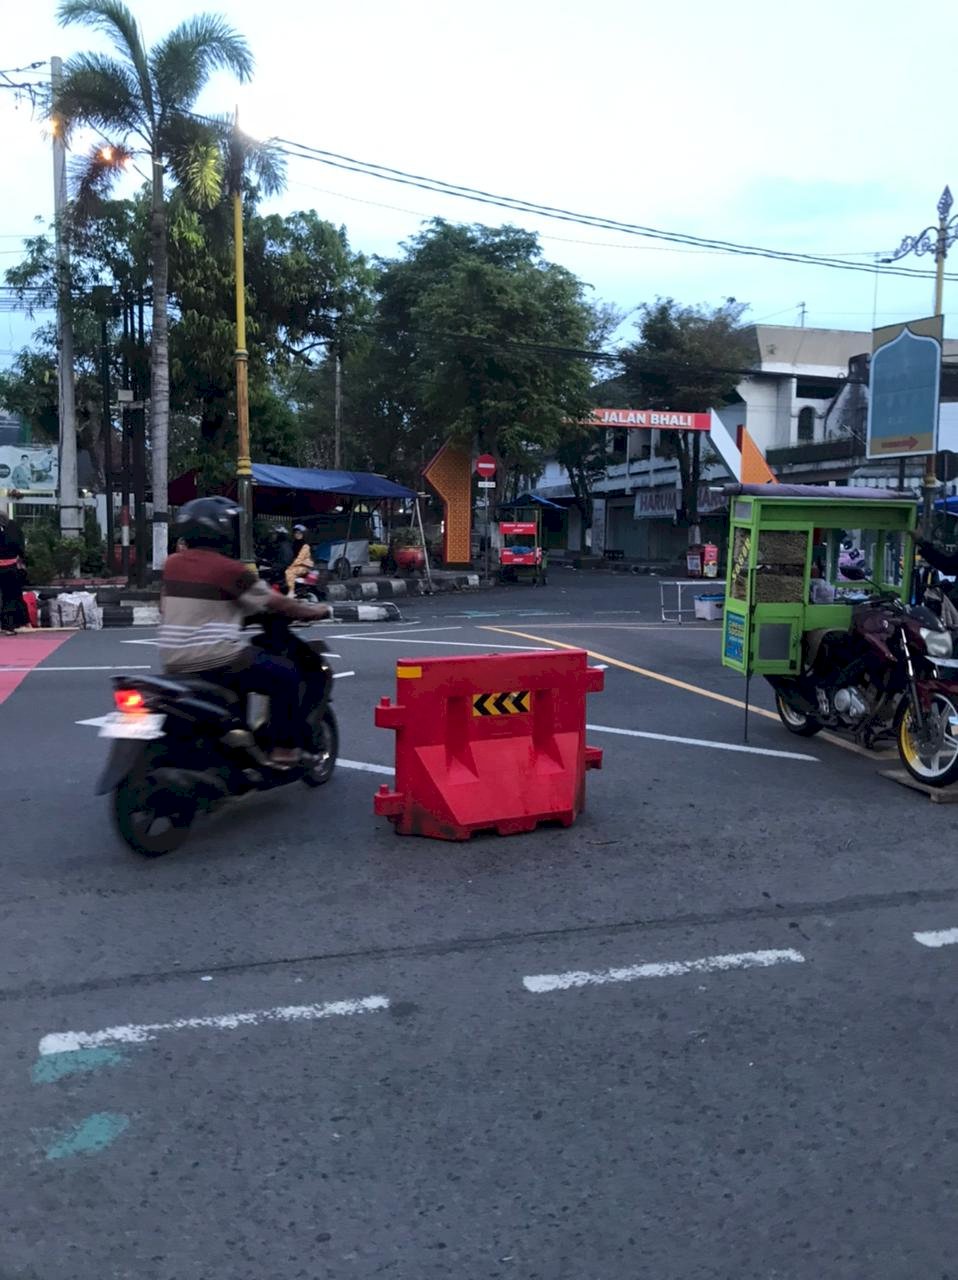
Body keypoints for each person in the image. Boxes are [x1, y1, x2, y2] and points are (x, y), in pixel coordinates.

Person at [160, 497, 331, 766]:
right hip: (216, 658)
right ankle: (283, 749)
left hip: (172, 662)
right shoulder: (228, 569)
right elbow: (275, 603)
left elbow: (169, 607)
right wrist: (316, 610)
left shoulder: (171, 565)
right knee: (286, 675)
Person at [0, 512, 27, 636]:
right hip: (10, 567)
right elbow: (20, 546)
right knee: (11, 597)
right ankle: (11, 624)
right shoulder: (13, 528)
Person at [285, 524, 314, 593]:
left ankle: (291, 592)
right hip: (296, 564)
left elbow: (299, 559)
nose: (297, 535)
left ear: (303, 534)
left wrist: (291, 565)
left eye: (299, 533)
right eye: (296, 533)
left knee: (289, 572)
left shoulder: (305, 545)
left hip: (304, 566)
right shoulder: (294, 544)